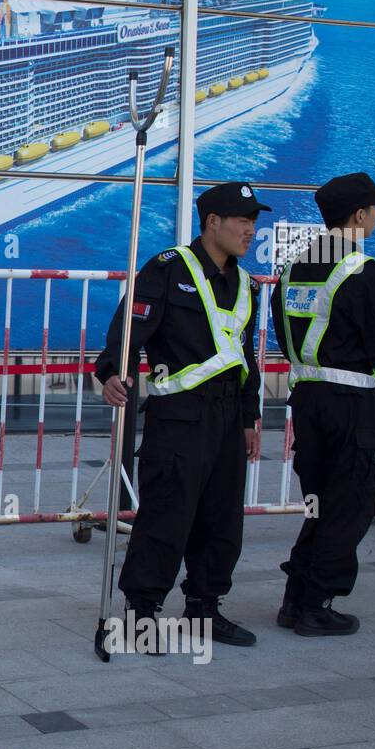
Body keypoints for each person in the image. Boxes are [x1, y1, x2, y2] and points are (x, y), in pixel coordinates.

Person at [95, 182, 267, 650]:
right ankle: (142, 613)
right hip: (181, 417)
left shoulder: (246, 284)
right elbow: (130, 327)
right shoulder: (168, 269)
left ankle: (204, 609)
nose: (251, 230)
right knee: (168, 515)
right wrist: (115, 372)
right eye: (242, 221)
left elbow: (245, 356)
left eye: (254, 221)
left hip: (229, 417)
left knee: (222, 518)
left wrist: (251, 418)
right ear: (212, 222)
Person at [273, 172, 375, 636]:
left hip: (308, 402)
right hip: (353, 404)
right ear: (358, 215)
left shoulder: (292, 270)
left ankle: (295, 598)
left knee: (318, 501)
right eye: (373, 209)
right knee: (349, 505)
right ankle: (316, 603)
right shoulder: (363, 273)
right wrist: (372, 380)